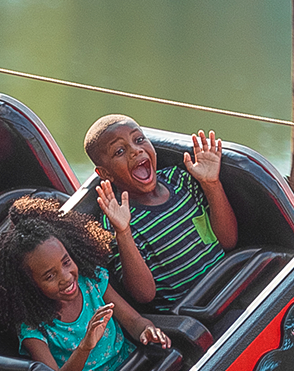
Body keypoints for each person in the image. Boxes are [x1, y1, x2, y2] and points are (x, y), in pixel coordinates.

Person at [0, 195, 170, 371]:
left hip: (133, 370)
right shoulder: (33, 328)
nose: (66, 277)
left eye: (66, 262)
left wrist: (147, 330)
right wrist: (85, 346)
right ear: (30, 285)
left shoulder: (91, 282)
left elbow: (134, 321)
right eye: (50, 276)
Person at [84, 114, 237, 313]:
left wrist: (211, 184)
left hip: (230, 285)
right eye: (120, 151)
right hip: (192, 312)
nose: (135, 151)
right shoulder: (114, 220)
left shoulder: (179, 179)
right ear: (105, 174)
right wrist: (123, 232)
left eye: (139, 140)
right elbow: (144, 295)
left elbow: (228, 241)